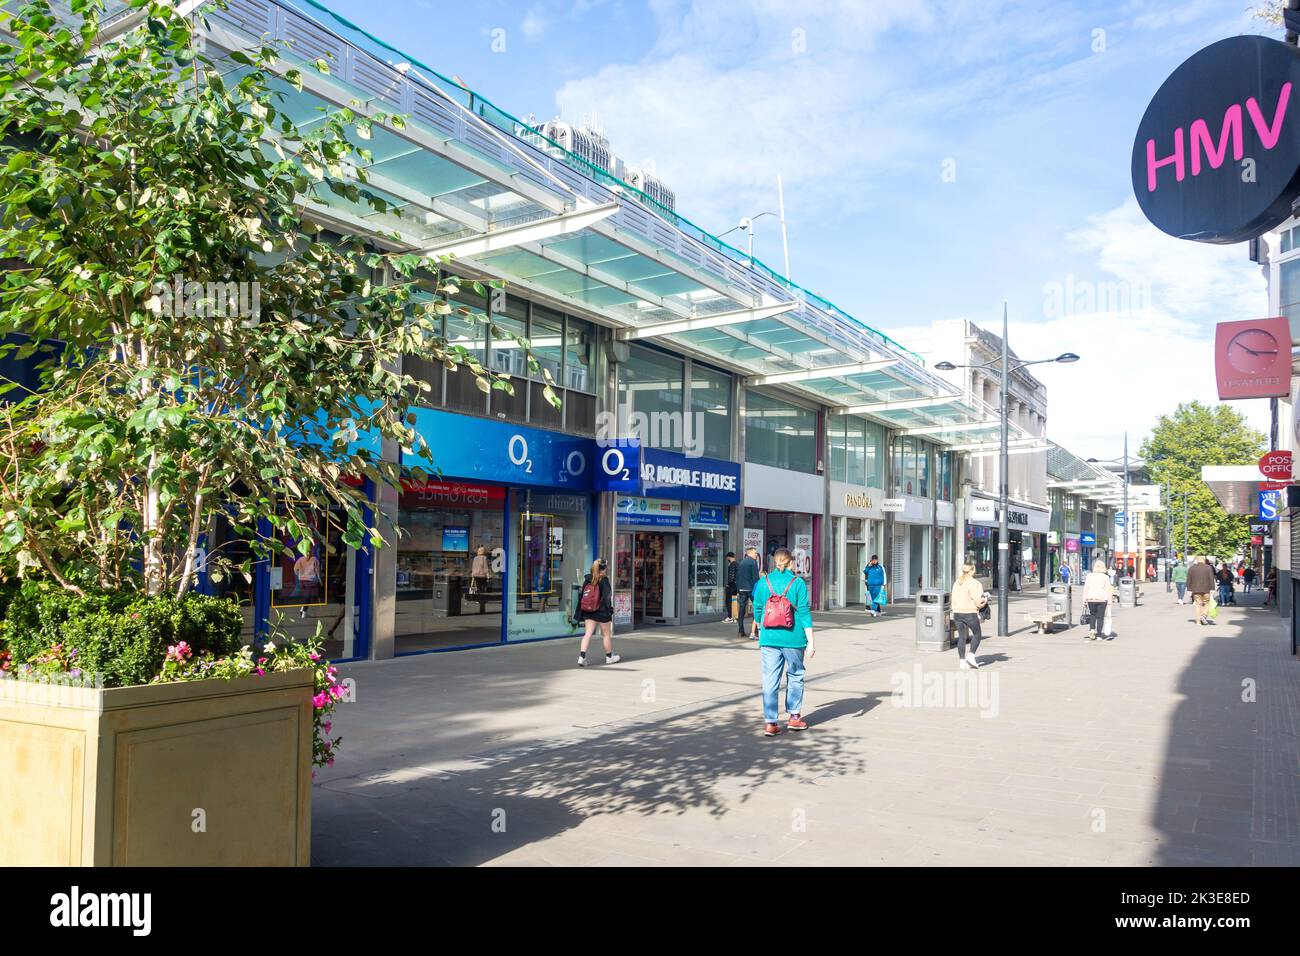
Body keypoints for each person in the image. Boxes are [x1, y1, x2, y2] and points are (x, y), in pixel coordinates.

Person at [751, 547, 815, 737]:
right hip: (793, 639)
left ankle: (770, 722)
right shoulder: (798, 583)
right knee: (795, 674)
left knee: (770, 679)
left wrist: (761, 630)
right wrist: (811, 641)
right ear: (790, 562)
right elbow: (803, 612)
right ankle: (794, 717)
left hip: (769, 638)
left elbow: (757, 609)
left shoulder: (764, 582)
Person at [576, 559, 619, 667]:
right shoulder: (604, 580)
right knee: (606, 635)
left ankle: (582, 657)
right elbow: (607, 597)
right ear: (604, 568)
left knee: (587, 634)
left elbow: (581, 596)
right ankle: (609, 657)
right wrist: (610, 610)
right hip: (601, 611)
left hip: (588, 610)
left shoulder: (587, 579)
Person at [950, 561, 988, 668]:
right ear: (972, 570)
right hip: (969, 613)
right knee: (977, 634)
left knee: (962, 637)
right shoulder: (974, 583)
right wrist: (985, 598)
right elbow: (979, 601)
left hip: (957, 613)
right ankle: (971, 656)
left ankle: (962, 661)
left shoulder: (957, 582)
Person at [1081, 559, 1114, 641]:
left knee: (1093, 615)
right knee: (1100, 617)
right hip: (1102, 599)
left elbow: (1086, 589)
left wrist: (1084, 600)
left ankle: (1092, 629)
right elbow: (1108, 589)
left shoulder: (1089, 576)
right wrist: (1110, 602)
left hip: (1091, 599)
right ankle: (1099, 635)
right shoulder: (1105, 577)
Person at [735, 547, 760, 638]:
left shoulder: (741, 562)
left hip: (742, 589)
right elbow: (755, 578)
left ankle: (740, 630)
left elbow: (738, 577)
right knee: (757, 608)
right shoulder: (753, 562)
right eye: (755, 553)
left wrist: (738, 589)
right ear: (749, 553)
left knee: (741, 609)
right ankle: (755, 630)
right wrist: (758, 589)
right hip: (751, 589)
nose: (756, 555)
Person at [1187, 556, 1217, 626]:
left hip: (1196, 590)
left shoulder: (1192, 568)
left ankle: (1198, 622)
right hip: (1206, 589)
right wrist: (1212, 589)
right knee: (1207, 603)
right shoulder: (1208, 568)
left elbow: (1189, 579)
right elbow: (1211, 578)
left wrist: (1189, 589)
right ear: (1203, 560)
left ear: (1197, 561)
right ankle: (1203, 615)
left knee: (1198, 605)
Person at [470, 545, 490, 614]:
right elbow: (485, 567)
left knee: (478, 587)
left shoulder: (475, 558)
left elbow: (473, 566)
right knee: (483, 587)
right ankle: (482, 600)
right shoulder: (484, 558)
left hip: (476, 575)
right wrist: (488, 575)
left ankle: (478, 599)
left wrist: (472, 574)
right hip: (482, 575)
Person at [723, 551, 738, 623]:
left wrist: (728, 584)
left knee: (728, 601)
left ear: (729, 557)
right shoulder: (737, 564)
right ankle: (734, 616)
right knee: (734, 601)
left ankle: (730, 617)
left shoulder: (732, 564)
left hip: (732, 586)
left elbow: (731, 576)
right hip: (736, 585)